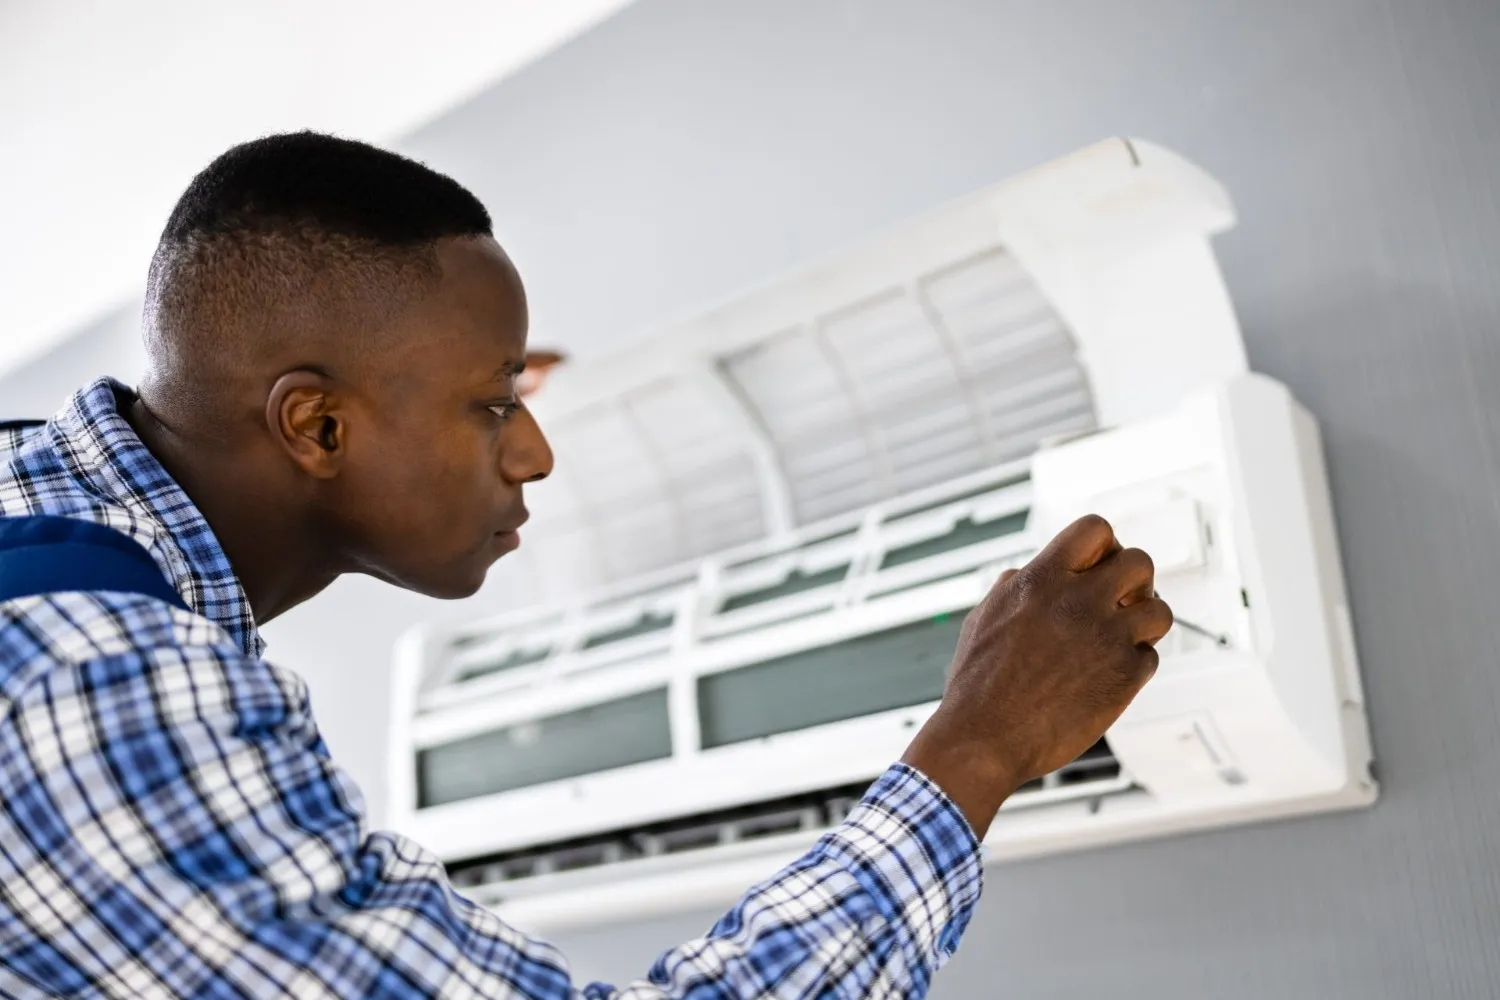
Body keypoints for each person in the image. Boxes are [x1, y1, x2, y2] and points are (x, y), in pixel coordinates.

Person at [0, 132, 1172, 999]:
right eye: (495, 401)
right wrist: (977, 747)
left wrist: (440, 403)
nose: (537, 449)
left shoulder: (37, 522)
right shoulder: (100, 685)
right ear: (318, 428)